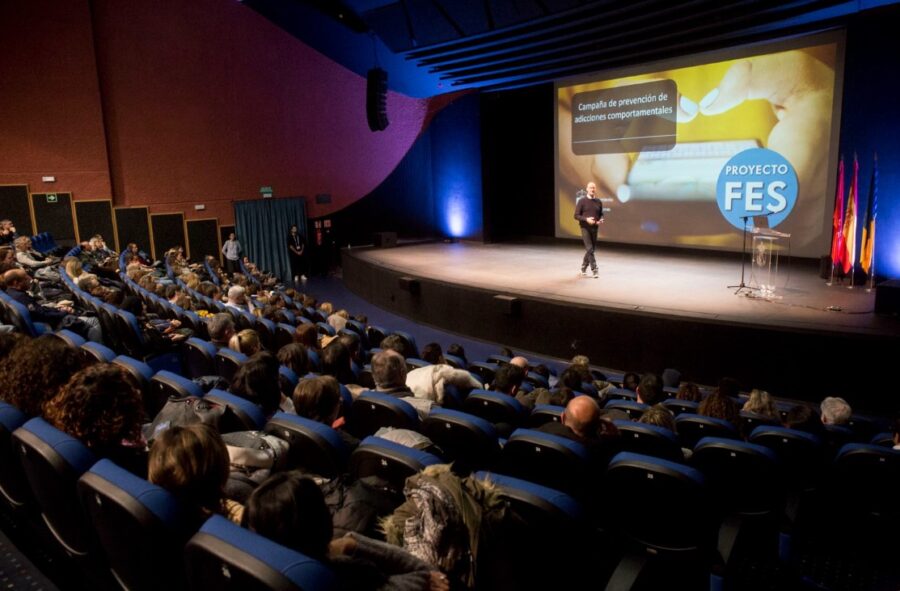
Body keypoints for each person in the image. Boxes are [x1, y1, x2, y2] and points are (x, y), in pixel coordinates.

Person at [245, 471, 448, 591]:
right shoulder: (350, 575)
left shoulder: (251, 568)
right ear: (322, 522)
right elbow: (423, 573)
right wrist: (353, 543)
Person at [573, 181, 604, 278]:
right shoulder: (582, 201)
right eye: (590, 187)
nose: (592, 189)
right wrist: (586, 219)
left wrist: (601, 219)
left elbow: (601, 213)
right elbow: (576, 215)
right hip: (585, 227)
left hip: (595, 228)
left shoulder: (598, 201)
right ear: (587, 189)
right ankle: (595, 269)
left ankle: (583, 267)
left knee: (591, 249)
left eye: (594, 188)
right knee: (590, 248)